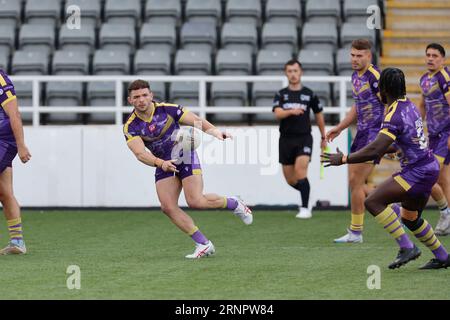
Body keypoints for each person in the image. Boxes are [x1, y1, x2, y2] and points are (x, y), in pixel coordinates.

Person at [322, 68, 450, 269]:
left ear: (384, 89)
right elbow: (399, 142)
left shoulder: (393, 114)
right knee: (410, 217)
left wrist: (344, 158)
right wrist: (388, 151)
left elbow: (375, 149)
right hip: (427, 167)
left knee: (373, 201)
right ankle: (443, 256)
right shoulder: (408, 106)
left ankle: (407, 247)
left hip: (417, 171)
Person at [123, 80, 252, 259]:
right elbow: (140, 153)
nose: (142, 100)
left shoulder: (168, 109)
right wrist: (161, 163)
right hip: (163, 162)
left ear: (151, 96)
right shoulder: (131, 126)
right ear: (130, 100)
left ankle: (235, 204)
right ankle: (203, 244)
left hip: (184, 155)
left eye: (145, 95)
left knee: (196, 201)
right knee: (167, 207)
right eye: (136, 97)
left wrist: (215, 132)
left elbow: (196, 122)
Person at [326, 39, 385, 243]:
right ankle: (391, 204)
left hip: (375, 134)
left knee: (356, 182)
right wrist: (340, 127)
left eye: (359, 55)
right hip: (361, 132)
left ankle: (356, 232)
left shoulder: (376, 76)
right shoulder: (355, 76)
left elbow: (390, 105)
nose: (355, 59)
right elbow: (358, 107)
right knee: (354, 183)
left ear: (369, 56)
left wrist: (389, 137)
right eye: (352, 55)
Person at [272, 59, 327, 219]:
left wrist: (324, 137)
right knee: (290, 179)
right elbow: (277, 113)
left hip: (304, 138)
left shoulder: (310, 94)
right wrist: (291, 111)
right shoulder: (281, 94)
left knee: (300, 170)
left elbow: (319, 115)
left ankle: (304, 208)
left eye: (295, 71)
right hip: (286, 140)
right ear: (286, 73)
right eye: (290, 71)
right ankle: (307, 194)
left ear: (300, 72)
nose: (293, 74)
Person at [418, 43, 450, 236]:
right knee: (444, 180)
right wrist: (415, 127)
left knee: (429, 175)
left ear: (443, 59)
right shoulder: (424, 79)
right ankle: (447, 217)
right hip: (433, 135)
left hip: (445, 134)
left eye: (435, 56)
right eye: (428, 55)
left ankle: (445, 213)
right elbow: (422, 105)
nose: (430, 58)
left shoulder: (444, 77)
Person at [0, 69, 32, 255]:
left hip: (4, 139)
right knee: (5, 193)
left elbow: (14, 114)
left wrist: (21, 145)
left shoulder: (1, 79)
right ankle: (17, 242)